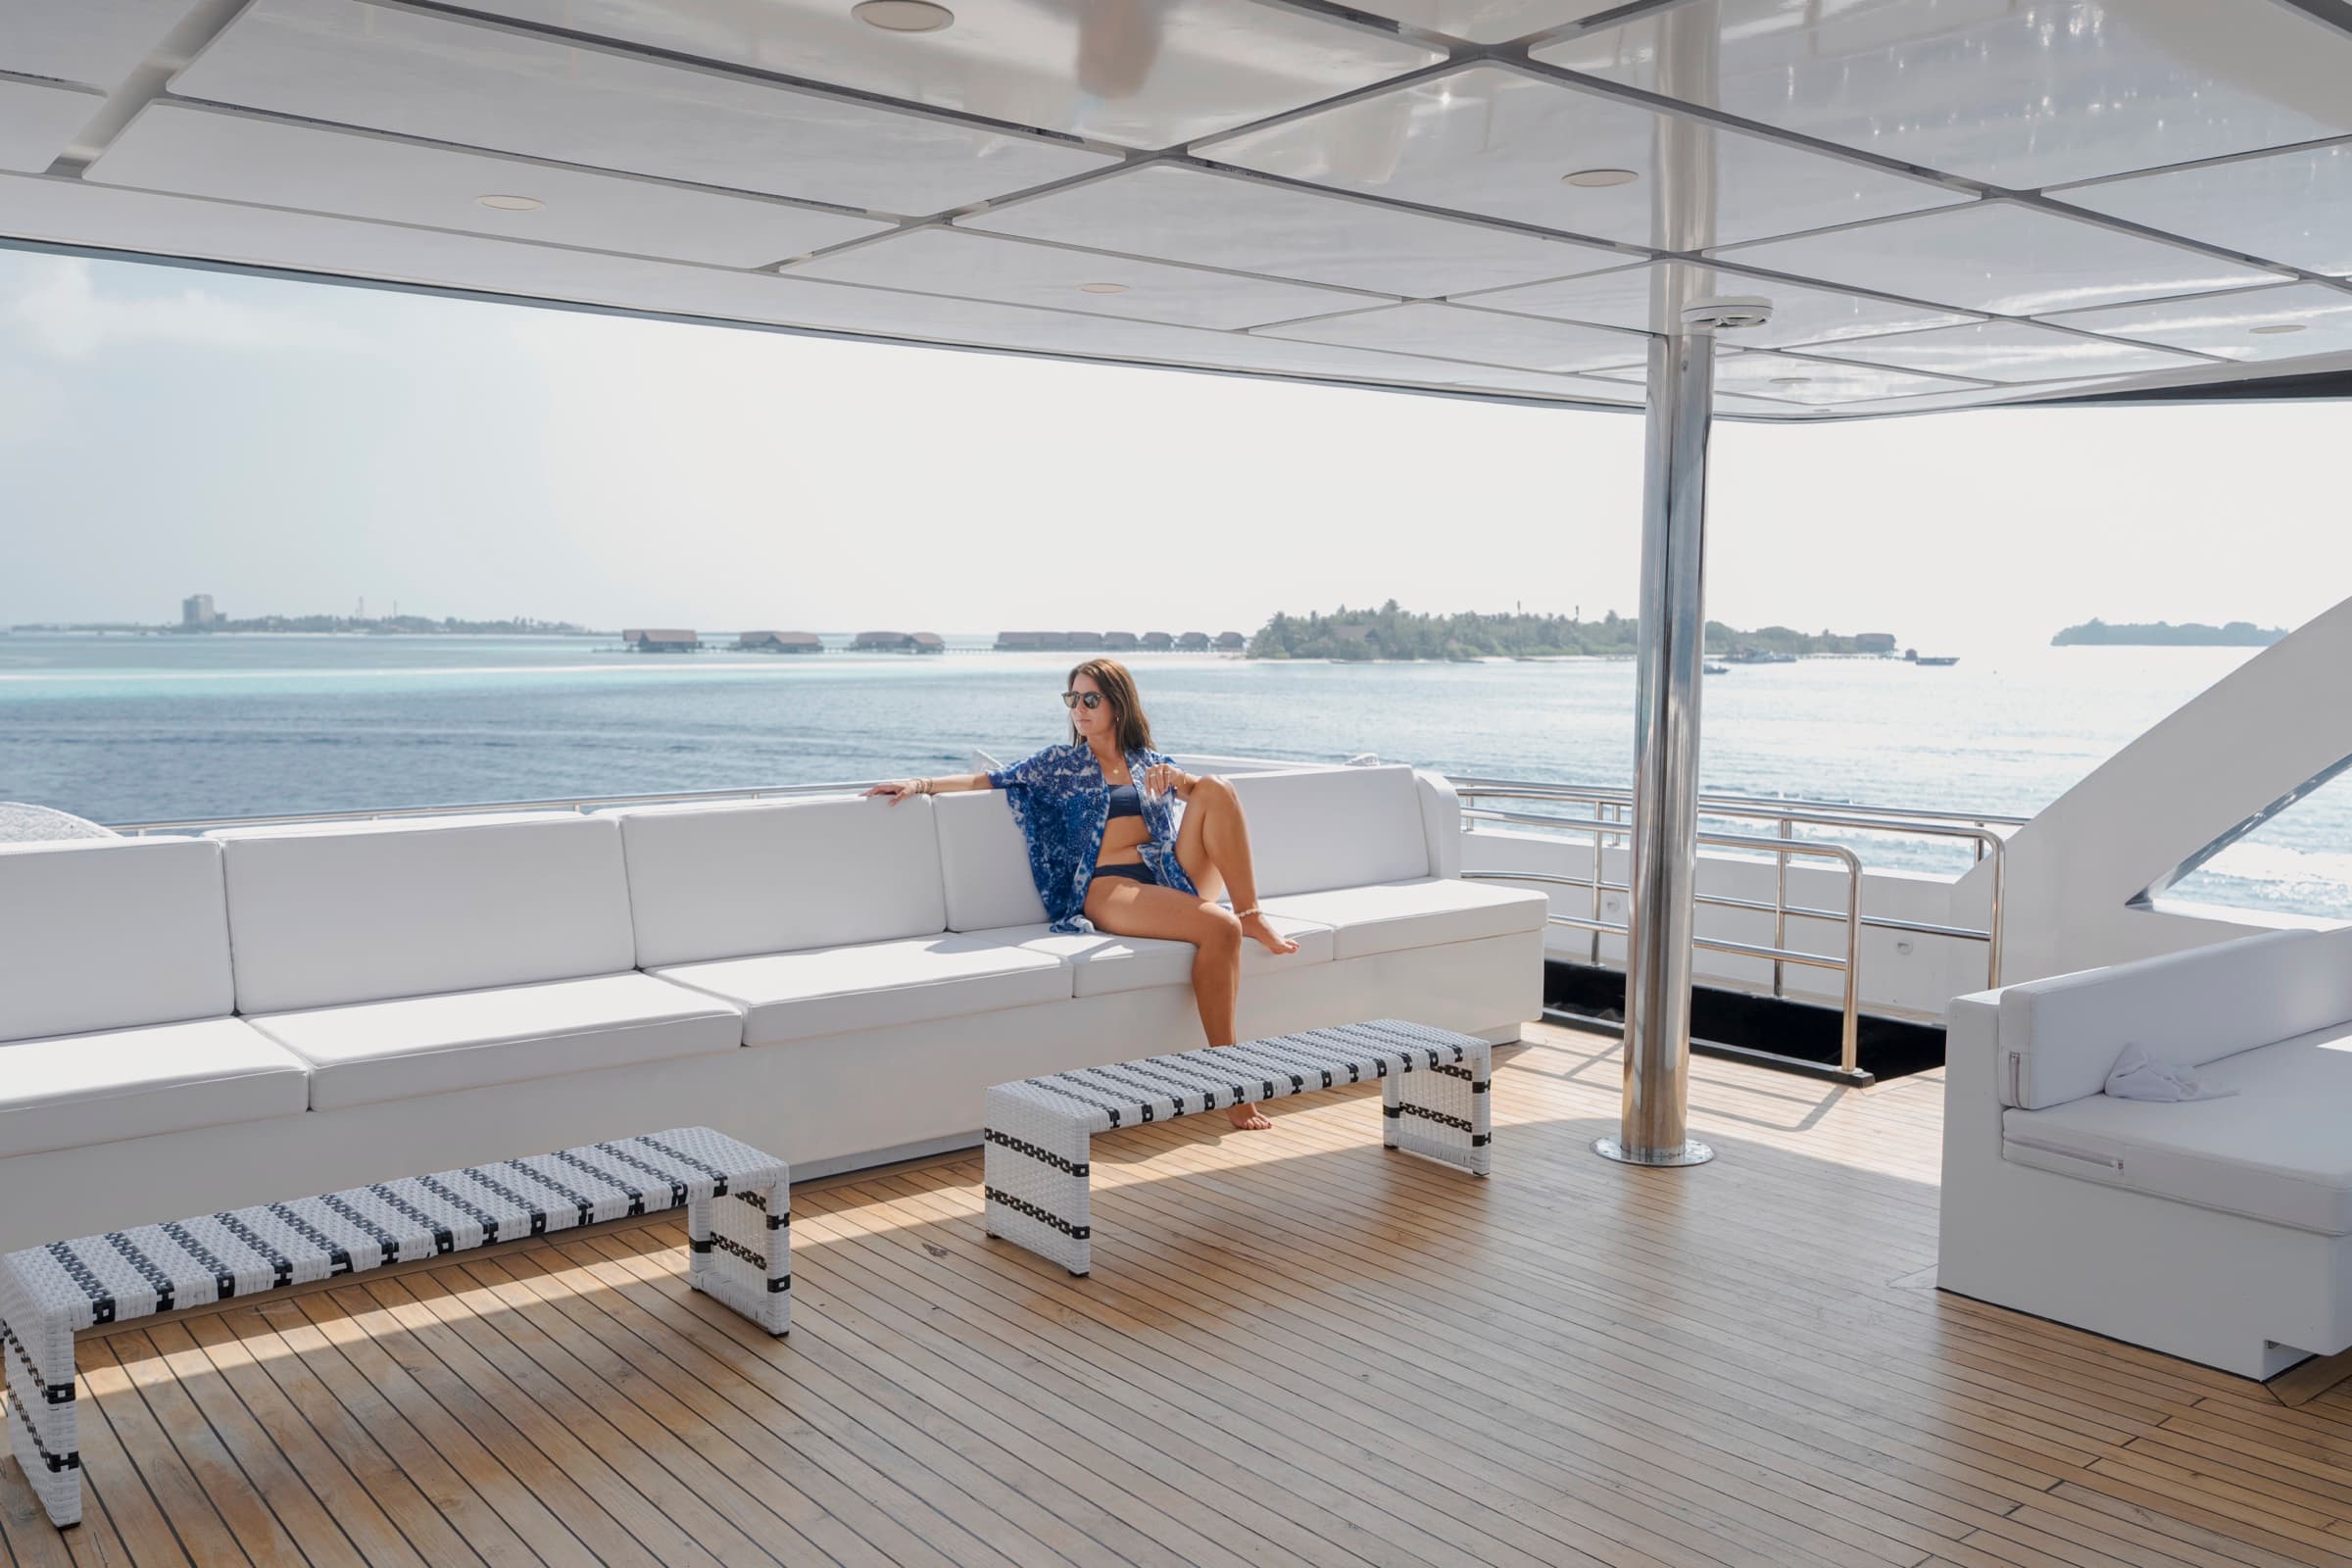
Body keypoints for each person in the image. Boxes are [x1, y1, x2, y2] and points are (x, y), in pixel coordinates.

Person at [864, 658, 1297, 1130]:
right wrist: (921, 784)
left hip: (1165, 872)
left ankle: (1252, 909)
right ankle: (1230, 1081)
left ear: (1118, 704)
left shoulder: (1146, 760)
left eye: (1091, 699)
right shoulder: (1060, 763)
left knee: (1217, 787)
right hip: (1109, 886)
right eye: (1073, 699)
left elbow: (1199, 796)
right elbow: (987, 780)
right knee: (1219, 925)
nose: (1080, 709)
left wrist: (1180, 782)